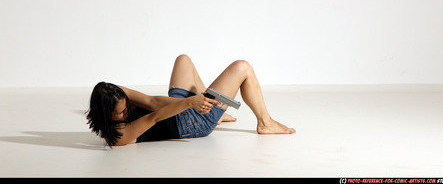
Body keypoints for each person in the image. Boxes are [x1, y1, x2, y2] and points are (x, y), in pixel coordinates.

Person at [86, 54, 296, 147]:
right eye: (122, 113)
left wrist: (197, 102)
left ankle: (212, 108)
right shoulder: (119, 136)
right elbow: (155, 116)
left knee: (183, 60)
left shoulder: (112, 94)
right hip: (189, 123)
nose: (127, 111)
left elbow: (152, 102)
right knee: (243, 67)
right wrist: (190, 103)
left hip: (178, 107)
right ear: (106, 116)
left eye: (126, 107)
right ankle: (265, 123)